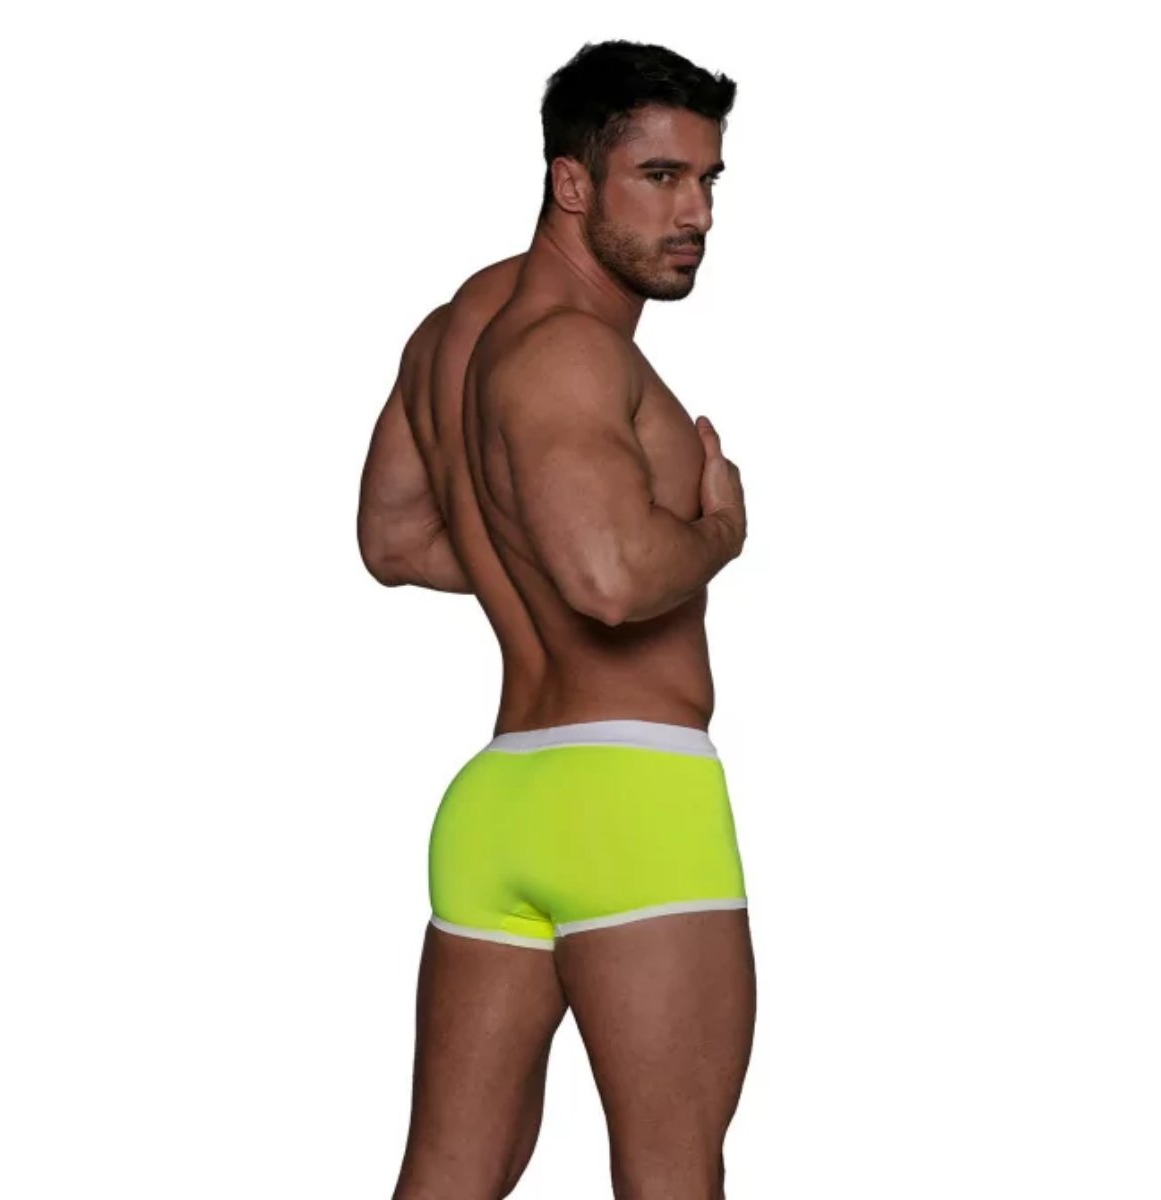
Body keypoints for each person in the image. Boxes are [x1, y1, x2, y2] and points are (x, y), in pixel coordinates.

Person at [357, 39, 754, 1200]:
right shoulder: (573, 351)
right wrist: (717, 533)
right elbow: (612, 581)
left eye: (708, 180)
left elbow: (394, 539)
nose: (696, 214)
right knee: (672, 1175)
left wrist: (524, 555)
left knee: (446, 1177)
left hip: (500, 802)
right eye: (660, 178)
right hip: (630, 802)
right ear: (569, 182)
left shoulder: (456, 329)